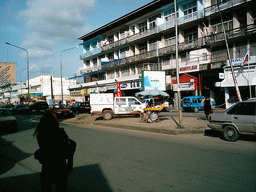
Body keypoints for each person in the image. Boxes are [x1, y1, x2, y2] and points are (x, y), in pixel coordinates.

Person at [33, 111, 74, 192]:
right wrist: (70, 164)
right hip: (60, 166)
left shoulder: (41, 133)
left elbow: (44, 148)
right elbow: (68, 149)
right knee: (61, 187)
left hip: (47, 166)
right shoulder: (60, 132)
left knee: (46, 188)